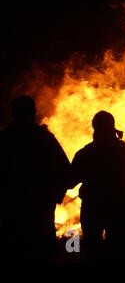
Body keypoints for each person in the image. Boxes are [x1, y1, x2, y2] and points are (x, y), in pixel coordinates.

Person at [0, 95, 71, 262]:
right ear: (34, 112)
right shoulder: (44, 139)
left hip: (11, 213)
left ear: (13, 113)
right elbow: (66, 172)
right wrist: (54, 197)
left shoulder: (4, 140)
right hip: (39, 213)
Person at [71, 111, 125, 258]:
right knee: (117, 248)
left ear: (95, 128)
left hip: (93, 206)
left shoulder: (86, 153)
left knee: (93, 248)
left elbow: (72, 178)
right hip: (118, 204)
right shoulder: (122, 148)